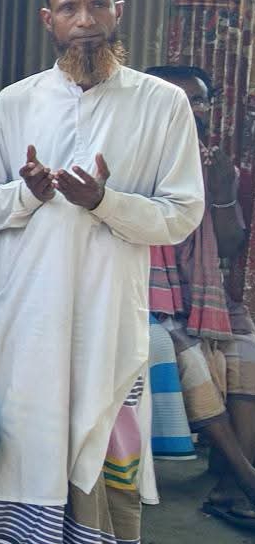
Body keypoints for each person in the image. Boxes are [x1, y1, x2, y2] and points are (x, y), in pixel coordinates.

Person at [0, 0, 205, 544]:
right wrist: (28, 192)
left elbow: (182, 214)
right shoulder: (15, 103)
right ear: (49, 20)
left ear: (118, 12)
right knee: (26, 442)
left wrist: (104, 201)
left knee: (104, 435)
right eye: (69, 8)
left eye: (97, 5)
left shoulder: (161, 103)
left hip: (109, 316)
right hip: (29, 317)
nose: (85, 20)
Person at [142, 64, 255, 531]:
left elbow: (228, 246)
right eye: (180, 99)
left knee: (246, 345)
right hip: (149, 296)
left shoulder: (217, 164)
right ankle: (248, 481)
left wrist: (222, 192)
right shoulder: (135, 159)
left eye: (199, 100)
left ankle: (230, 483)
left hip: (202, 297)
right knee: (187, 354)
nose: (192, 109)